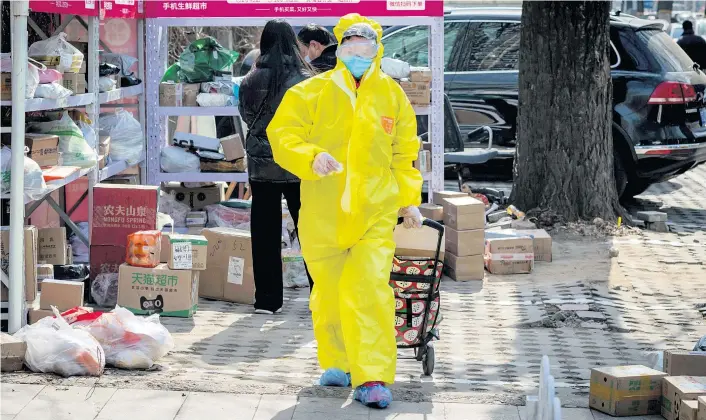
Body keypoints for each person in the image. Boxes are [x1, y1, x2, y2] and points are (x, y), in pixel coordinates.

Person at [267, 14, 423, 409]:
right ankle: (338, 362)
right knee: (331, 293)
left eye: (365, 45)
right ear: (340, 47)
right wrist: (311, 156)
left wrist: (409, 200)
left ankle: (372, 375)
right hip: (323, 213)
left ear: (377, 48)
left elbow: (405, 153)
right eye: (351, 44)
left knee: (369, 291)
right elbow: (283, 133)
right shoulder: (312, 91)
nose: (358, 51)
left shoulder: (392, 96)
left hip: (375, 213)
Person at [238, 19, 313, 315]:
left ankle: (267, 301)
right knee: (310, 232)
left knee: (264, 234)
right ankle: (320, 294)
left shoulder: (250, 79)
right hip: (299, 166)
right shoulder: (307, 80)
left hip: (261, 168)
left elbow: (246, 117)